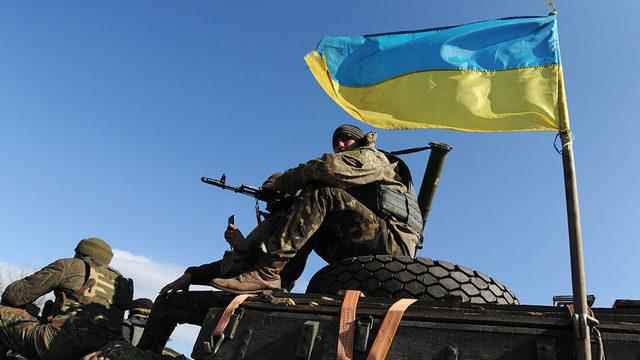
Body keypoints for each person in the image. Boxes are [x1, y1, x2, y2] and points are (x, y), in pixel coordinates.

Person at [135, 124, 423, 353]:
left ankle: (269, 274)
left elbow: (327, 169)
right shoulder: (326, 203)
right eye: (337, 140)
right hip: (359, 246)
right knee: (301, 216)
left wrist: (284, 181)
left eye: (346, 139)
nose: (340, 144)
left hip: (391, 243)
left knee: (320, 194)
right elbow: (283, 237)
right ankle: (273, 278)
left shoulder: (373, 158)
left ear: (359, 142)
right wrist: (206, 267)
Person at [0, 237, 133, 360]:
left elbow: (14, 296)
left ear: (80, 253)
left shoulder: (72, 266)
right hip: (101, 351)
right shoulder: (123, 283)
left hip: (57, 344)